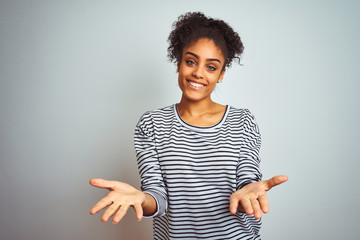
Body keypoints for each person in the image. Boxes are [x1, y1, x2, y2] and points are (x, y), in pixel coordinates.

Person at [89, 12, 288, 239]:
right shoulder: (151, 124)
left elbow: (247, 185)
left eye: (211, 67)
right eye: (191, 61)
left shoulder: (242, 121)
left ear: (222, 74)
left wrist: (246, 196)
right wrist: (141, 199)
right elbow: (157, 198)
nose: (198, 73)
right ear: (178, 63)